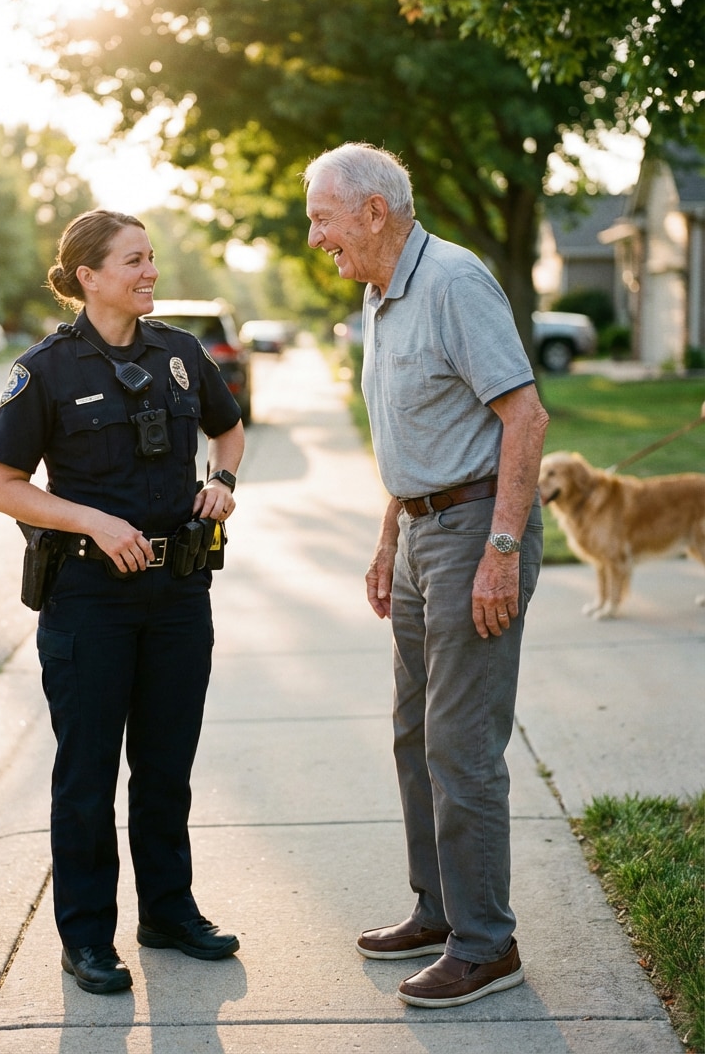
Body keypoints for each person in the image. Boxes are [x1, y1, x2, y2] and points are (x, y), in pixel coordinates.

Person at [304, 143, 549, 1008]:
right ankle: (440, 910)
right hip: (417, 532)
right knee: (413, 733)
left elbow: (524, 415)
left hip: (477, 532)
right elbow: (413, 440)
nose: (314, 236)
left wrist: (503, 552)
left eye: (322, 216)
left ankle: (489, 945)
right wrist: (386, 541)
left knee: (461, 744)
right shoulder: (379, 297)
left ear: (374, 210)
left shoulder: (452, 281)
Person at [0, 209, 245, 995]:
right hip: (90, 599)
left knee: (166, 766)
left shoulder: (181, 354)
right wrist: (92, 519)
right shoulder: (47, 370)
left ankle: (168, 912)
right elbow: (3, 488)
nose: (150, 273)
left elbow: (228, 433)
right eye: (133, 261)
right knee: (88, 776)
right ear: (88, 277)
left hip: (178, 592)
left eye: (152, 258)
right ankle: (87, 939)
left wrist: (222, 483)